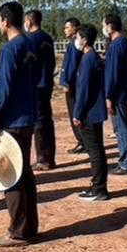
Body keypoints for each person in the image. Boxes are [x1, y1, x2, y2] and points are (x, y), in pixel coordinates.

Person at [0, 1, 40, 246]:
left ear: (5, 21)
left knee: (11, 175)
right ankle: (30, 227)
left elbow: (3, 86)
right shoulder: (30, 44)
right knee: (25, 172)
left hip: (13, 120)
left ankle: (18, 232)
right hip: (28, 116)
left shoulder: (10, 49)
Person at [71, 23, 110, 202]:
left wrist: (77, 113)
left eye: (78, 37)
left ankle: (99, 188)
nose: (76, 40)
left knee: (94, 151)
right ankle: (98, 186)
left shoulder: (88, 59)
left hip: (89, 112)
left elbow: (84, 90)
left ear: (85, 40)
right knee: (97, 149)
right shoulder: (93, 57)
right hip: (94, 111)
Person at [102, 12, 127, 174]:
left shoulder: (116, 45)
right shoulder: (122, 43)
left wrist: (109, 96)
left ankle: (126, 163)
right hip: (121, 91)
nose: (103, 28)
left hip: (117, 94)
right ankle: (125, 161)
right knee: (122, 126)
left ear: (110, 26)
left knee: (121, 127)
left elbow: (113, 73)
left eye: (104, 25)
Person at [24, 10, 57, 170]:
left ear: (29, 22)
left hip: (35, 85)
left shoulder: (29, 40)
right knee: (46, 120)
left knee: (39, 122)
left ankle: (43, 159)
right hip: (47, 83)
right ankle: (49, 156)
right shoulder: (47, 38)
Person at [59, 17, 83, 155]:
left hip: (73, 85)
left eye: (67, 27)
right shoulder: (73, 43)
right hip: (74, 84)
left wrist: (66, 82)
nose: (65, 30)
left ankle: (81, 141)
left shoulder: (74, 44)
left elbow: (71, 65)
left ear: (74, 28)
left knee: (74, 111)